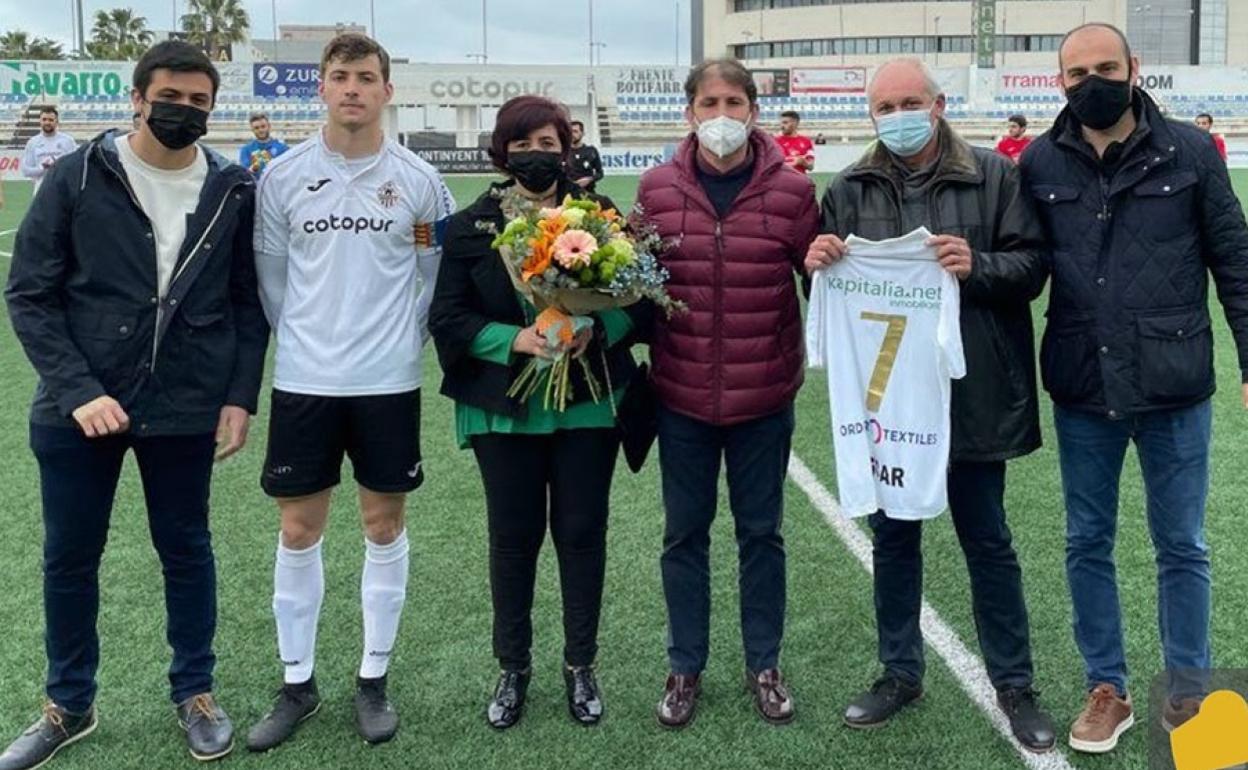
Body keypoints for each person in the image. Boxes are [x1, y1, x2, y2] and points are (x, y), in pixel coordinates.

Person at [1, 41, 268, 769]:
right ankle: (69, 704)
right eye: (170, 98)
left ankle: (196, 692)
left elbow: (249, 304)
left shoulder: (231, 188)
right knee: (69, 558)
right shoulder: (77, 174)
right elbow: (29, 292)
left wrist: (240, 396)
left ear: (213, 110)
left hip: (185, 403)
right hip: (78, 407)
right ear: (137, 98)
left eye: (198, 102)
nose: (183, 112)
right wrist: (79, 391)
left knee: (186, 550)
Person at [806, 57, 1056, 754]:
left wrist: (980, 266)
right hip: (889, 401)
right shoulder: (849, 188)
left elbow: (1034, 266)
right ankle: (899, 672)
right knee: (894, 539)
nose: (898, 115)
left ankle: (1015, 683)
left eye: (909, 101)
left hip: (971, 389)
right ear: (872, 115)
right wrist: (819, 267)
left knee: (988, 540)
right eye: (884, 106)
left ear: (939, 104)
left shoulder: (994, 174)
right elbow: (830, 300)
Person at [1020, 23, 1248, 754]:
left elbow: (1235, 262)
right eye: (1077, 70)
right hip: (1083, 383)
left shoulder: (1191, 151)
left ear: (1135, 68)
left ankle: (1191, 695)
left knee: (1182, 543)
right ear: (1059, 81)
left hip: (1173, 383)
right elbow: (1023, 266)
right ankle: (1106, 689)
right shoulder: (1036, 161)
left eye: (1105, 67)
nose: (1092, 80)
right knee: (1088, 540)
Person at [245, 32, 454, 751]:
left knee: (382, 525)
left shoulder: (422, 181)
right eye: (341, 77)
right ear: (323, 89)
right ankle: (297, 684)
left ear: (388, 90)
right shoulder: (282, 178)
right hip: (304, 379)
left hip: (388, 382)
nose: (354, 89)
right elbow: (273, 282)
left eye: (367, 77)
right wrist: (311, 340)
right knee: (298, 529)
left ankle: (373, 679)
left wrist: (398, 344)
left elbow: (431, 274)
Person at [429, 95, 646, 730]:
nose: (536, 156)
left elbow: (645, 303)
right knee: (513, 540)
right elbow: (448, 317)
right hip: (507, 409)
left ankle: (581, 666)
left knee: (582, 536)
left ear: (568, 147)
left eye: (548, 144)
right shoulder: (472, 225)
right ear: (503, 151)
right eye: (522, 145)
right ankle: (513, 668)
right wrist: (514, 341)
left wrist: (595, 329)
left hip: (588, 406)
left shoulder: (601, 219)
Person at [637, 58, 818, 729]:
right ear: (689, 112)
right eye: (709, 101)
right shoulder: (655, 189)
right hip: (680, 396)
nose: (722, 115)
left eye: (734, 101)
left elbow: (819, 283)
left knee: (761, 535)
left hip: (764, 399)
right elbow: (634, 286)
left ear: (753, 111)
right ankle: (685, 666)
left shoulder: (794, 193)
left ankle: (763, 663)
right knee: (683, 536)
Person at [20, 107, 76, 191]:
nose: (47, 122)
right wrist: (42, 167)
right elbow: (26, 171)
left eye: (51, 120)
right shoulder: (33, 142)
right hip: (41, 191)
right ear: (40, 121)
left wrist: (59, 166)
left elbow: (75, 167)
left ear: (57, 122)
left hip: (64, 190)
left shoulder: (68, 141)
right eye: (44, 119)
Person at [239, 112, 289, 178]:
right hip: (257, 187)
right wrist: (253, 168)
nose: (260, 130)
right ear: (252, 130)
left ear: (269, 126)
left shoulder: (283, 148)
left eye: (263, 126)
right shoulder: (246, 150)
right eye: (256, 128)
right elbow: (243, 174)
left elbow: (288, 170)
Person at [565, 119, 603, 192]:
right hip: (567, 193)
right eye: (570, 132)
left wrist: (589, 179)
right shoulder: (564, 151)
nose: (572, 134)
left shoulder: (591, 151)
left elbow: (600, 173)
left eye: (575, 131)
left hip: (588, 192)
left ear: (582, 133)